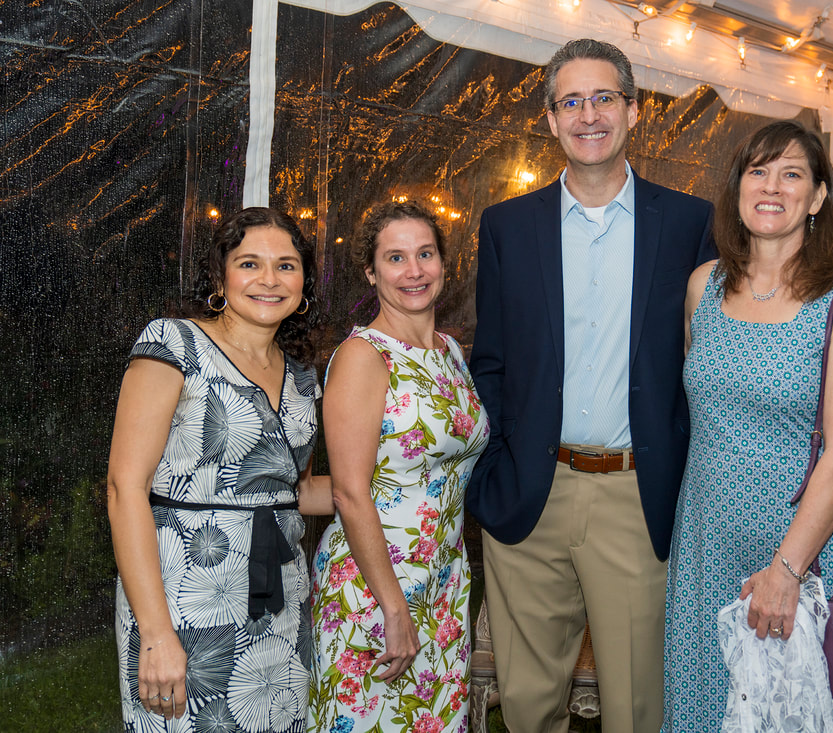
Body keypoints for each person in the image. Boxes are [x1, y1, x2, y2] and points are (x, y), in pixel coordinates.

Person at [467, 38, 716, 733]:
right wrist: (497, 468)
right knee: (526, 702)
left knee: (637, 706)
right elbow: (491, 360)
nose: (589, 114)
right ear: (550, 120)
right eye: (570, 101)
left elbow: (707, 360)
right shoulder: (507, 226)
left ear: (634, 111)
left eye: (604, 97)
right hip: (529, 495)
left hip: (636, 497)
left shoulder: (690, 223)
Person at [663, 119, 833, 731]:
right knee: (704, 706)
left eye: (791, 174)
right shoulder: (703, 286)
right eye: (758, 171)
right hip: (707, 542)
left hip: (802, 549)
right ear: (737, 188)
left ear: (817, 197)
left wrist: (787, 571)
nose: (771, 187)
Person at [107, 206, 331, 731]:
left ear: (304, 282)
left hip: (282, 600)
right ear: (220, 276)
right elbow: (124, 487)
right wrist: (156, 633)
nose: (269, 280)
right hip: (185, 599)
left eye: (286, 265)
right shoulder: (173, 344)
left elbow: (291, 491)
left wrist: (409, 485)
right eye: (249, 263)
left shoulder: (304, 379)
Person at [308, 201, 488, 733]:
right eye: (395, 258)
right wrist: (392, 608)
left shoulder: (450, 351)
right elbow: (349, 493)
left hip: (443, 581)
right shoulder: (363, 357)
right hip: (375, 585)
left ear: (442, 263)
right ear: (371, 272)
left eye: (425, 254)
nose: (414, 271)